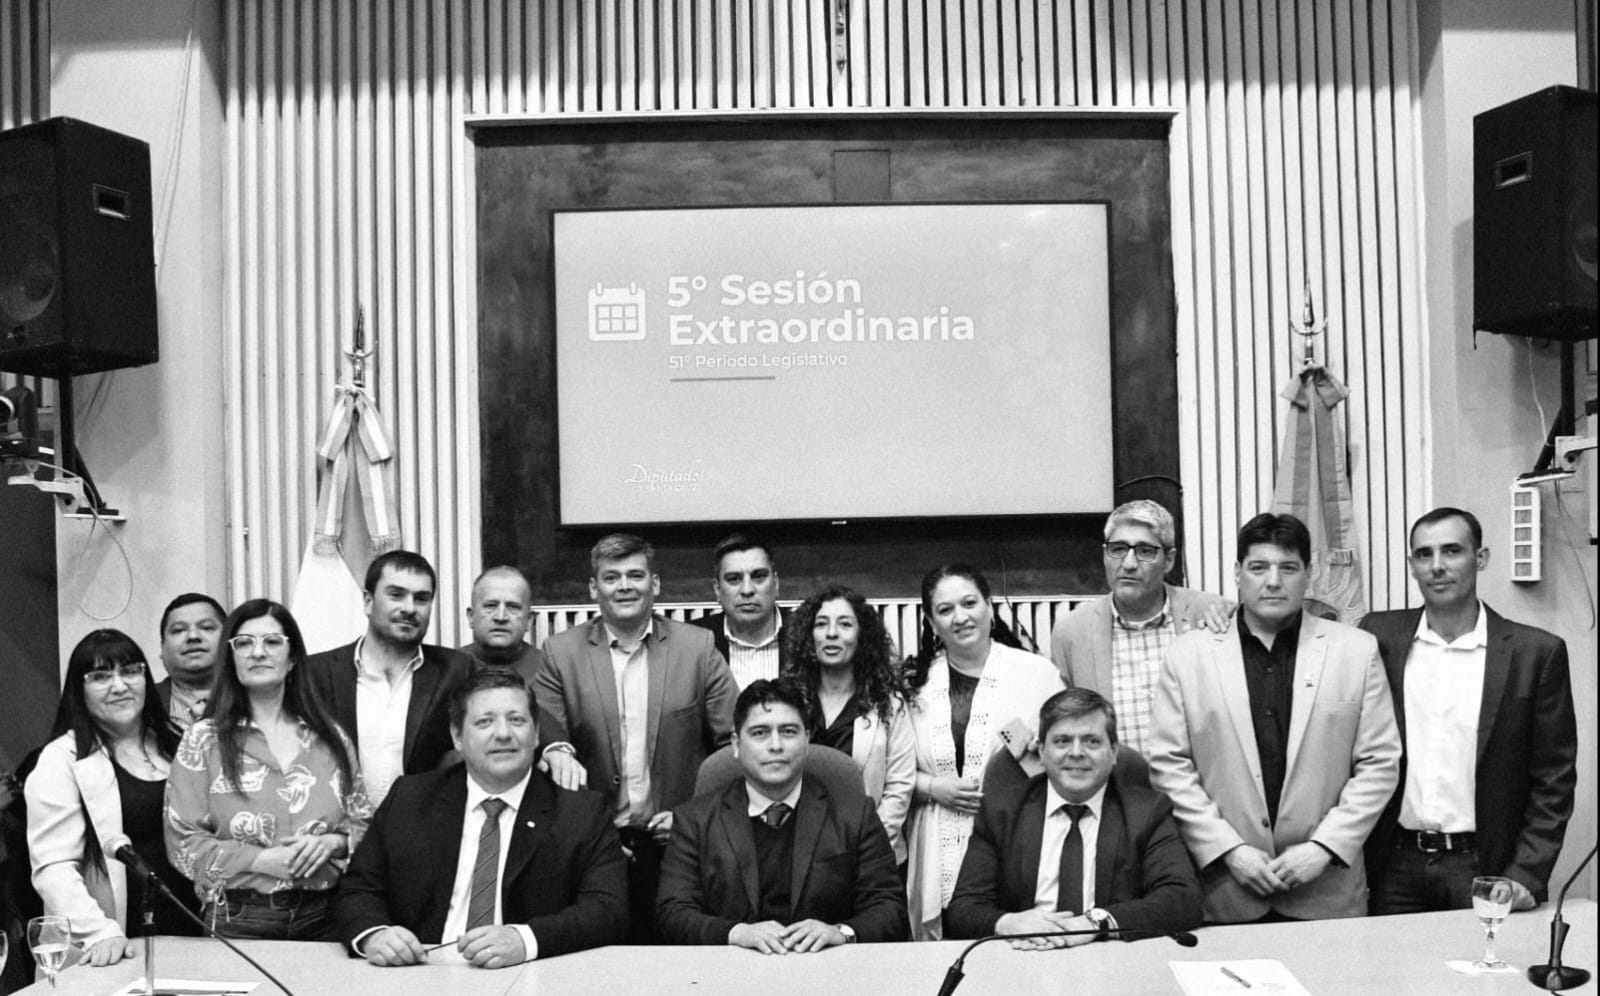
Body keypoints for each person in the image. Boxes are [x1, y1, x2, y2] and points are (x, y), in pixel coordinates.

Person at [1149, 513, 1400, 923]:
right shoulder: (1188, 655)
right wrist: (1229, 850)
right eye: (1258, 567)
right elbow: (1169, 766)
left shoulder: (1356, 651)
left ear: (1309, 574)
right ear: (1237, 573)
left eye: (1288, 568)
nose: (1273, 581)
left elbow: (1380, 763)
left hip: (1326, 891)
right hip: (1227, 891)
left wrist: (1324, 847)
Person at [1360, 506, 1577, 914]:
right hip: (1394, 864)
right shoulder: (1378, 637)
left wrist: (1525, 873)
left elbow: (1554, 780)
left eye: (1452, 551)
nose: (1437, 566)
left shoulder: (1535, 653)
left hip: (1484, 867)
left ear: (1480, 558)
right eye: (1424, 554)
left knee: (1489, 958)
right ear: (1411, 565)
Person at [335, 669, 627, 967]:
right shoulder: (410, 799)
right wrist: (375, 934)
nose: (503, 734)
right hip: (420, 970)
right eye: (484, 722)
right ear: (457, 737)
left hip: (529, 973)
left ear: (537, 733)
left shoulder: (581, 813)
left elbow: (608, 908)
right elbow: (358, 888)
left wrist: (526, 940)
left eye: (517, 720)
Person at [533, 532, 737, 941]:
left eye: (635, 575)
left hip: (681, 841)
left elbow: (734, 747)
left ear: (655, 584)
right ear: (594, 588)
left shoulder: (697, 648)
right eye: (611, 578)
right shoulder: (560, 652)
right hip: (596, 847)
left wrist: (694, 817)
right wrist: (557, 751)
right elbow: (544, 731)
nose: (624, 586)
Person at [165, 599, 372, 939]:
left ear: (292, 659)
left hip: (326, 915)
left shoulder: (330, 738)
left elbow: (366, 825)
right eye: (244, 643)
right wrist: (259, 861)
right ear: (231, 658)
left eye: (272, 641)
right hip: (239, 916)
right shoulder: (203, 740)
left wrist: (333, 843)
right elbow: (182, 842)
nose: (258, 652)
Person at [656, 679, 909, 949]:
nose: (775, 745)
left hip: (827, 967)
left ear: (807, 740)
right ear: (736, 744)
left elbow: (890, 908)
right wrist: (735, 933)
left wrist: (841, 932)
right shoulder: (694, 820)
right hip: (731, 968)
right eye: (760, 733)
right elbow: (672, 913)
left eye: (788, 732)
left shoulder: (855, 815)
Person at [944, 688, 1201, 944]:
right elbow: (963, 909)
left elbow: (1182, 898)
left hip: (1111, 955)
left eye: (1092, 741)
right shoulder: (1002, 812)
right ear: (1041, 752)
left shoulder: (1147, 812)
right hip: (1025, 954)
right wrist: (1009, 923)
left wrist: (1095, 923)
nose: (1076, 752)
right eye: (1062, 741)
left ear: (1114, 752)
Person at [904, 563, 1064, 940]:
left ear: (989, 606)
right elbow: (890, 771)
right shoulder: (914, 685)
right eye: (945, 610)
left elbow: (1063, 763)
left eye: (969, 603)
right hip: (935, 841)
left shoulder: (1037, 674)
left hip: (1015, 836)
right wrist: (933, 788)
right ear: (931, 621)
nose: (960, 617)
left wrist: (1031, 756)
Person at [25, 630, 200, 965]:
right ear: (78, 689)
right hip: (115, 944)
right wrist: (100, 932)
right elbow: (53, 867)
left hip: (194, 932)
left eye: (130, 671)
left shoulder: (177, 742)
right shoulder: (61, 759)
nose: (119, 686)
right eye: (101, 677)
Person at [1050, 501, 1231, 759]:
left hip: (1196, 779)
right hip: (1115, 780)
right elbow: (1064, 725)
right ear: (1104, 554)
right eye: (1118, 549)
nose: (1129, 563)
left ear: (1169, 560)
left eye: (1145, 551)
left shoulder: (1209, 614)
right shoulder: (1072, 633)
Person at [305, 550, 471, 808]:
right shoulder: (316, 673)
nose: (409, 608)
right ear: (368, 602)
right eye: (396, 595)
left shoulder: (456, 670)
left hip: (422, 824)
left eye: (421, 599)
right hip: (338, 826)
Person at [782, 585, 916, 862]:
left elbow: (899, 788)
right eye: (821, 624)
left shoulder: (888, 704)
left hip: (870, 854)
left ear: (862, 636)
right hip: (795, 852)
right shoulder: (786, 699)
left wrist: (865, 850)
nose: (831, 633)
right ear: (809, 635)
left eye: (845, 624)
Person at [691, 534, 790, 688]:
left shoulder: (807, 634)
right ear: (717, 589)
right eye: (734, 579)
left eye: (758, 577)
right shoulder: (693, 641)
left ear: (776, 584)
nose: (747, 590)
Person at [458, 565, 543, 686]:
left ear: (529, 620)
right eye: (490, 606)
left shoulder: (549, 671)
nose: (501, 617)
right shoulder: (450, 671)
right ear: (471, 616)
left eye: (513, 607)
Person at [153, 593, 227, 730]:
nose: (193, 636)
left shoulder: (255, 700)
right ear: (162, 647)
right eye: (179, 630)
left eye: (206, 627)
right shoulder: (143, 706)